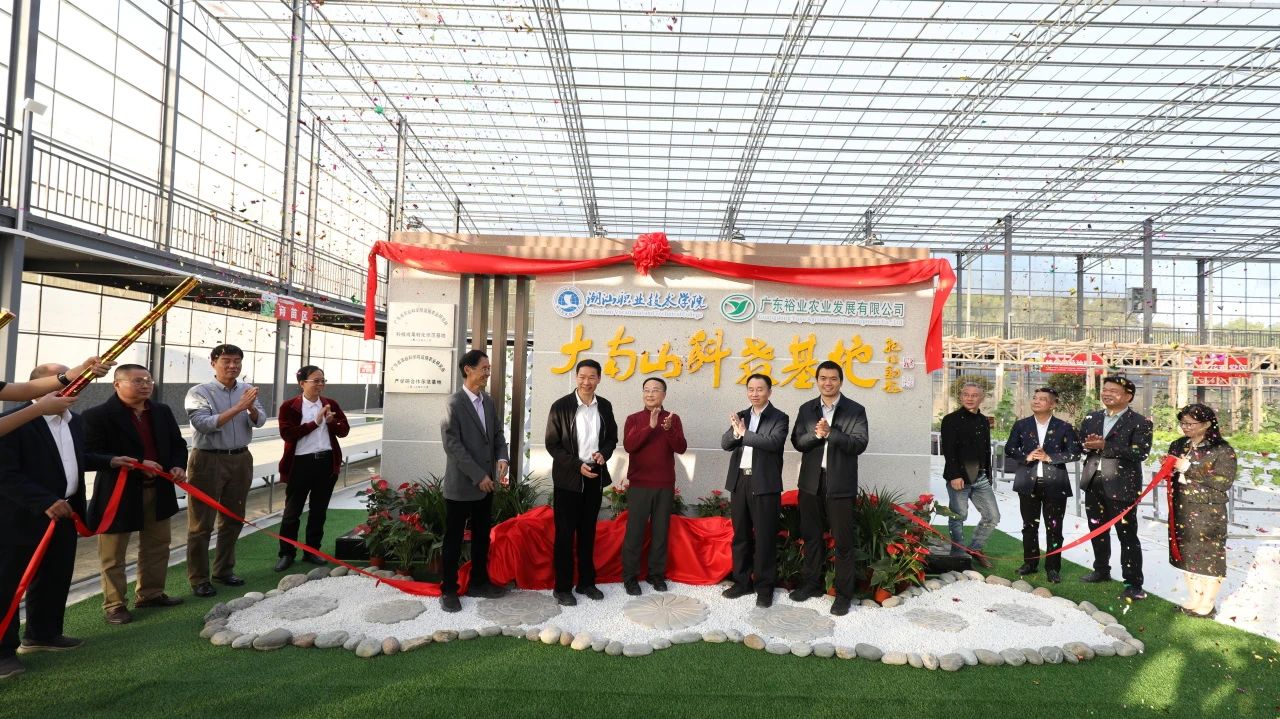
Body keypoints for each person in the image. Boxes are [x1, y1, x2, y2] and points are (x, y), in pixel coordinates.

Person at [0, 364, 123, 680]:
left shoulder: (74, 421)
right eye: (62, 380)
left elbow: (74, 459)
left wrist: (110, 460)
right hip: (20, 517)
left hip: (65, 513)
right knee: (8, 583)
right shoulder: (15, 422)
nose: (72, 385)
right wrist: (42, 501)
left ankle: (43, 634)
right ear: (36, 387)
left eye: (75, 379)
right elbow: (5, 473)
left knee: (55, 575)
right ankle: (2, 652)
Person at [82, 364, 190, 625]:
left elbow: (178, 445)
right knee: (113, 553)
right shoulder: (97, 415)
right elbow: (86, 455)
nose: (145, 385)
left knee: (157, 545)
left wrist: (178, 465)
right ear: (117, 384)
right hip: (119, 493)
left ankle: (151, 593)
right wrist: (119, 461)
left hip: (158, 490)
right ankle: (115, 604)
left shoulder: (161, 411)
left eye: (148, 380)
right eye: (137, 381)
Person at [184, 344, 266, 598]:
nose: (233, 366)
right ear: (213, 363)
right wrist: (239, 407)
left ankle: (223, 570)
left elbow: (261, 420)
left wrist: (251, 408)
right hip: (208, 460)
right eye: (226, 361)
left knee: (233, 518)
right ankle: (199, 578)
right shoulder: (199, 392)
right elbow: (203, 424)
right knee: (201, 523)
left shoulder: (246, 389)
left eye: (237, 361)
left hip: (240, 458)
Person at [788, 361, 869, 616]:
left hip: (840, 484)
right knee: (812, 536)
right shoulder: (807, 409)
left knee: (843, 541)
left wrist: (831, 433)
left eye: (833, 378)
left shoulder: (855, 410)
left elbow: (859, 444)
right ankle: (811, 584)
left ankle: (843, 595)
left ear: (840, 382)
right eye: (823, 378)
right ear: (817, 381)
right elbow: (797, 441)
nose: (828, 383)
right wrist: (817, 435)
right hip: (811, 482)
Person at [438, 350, 510, 612]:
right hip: (462, 485)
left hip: (486, 485)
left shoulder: (488, 402)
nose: (488, 373)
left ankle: (479, 582)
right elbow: (452, 445)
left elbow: (498, 434)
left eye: (489, 368)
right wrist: (478, 475)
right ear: (468, 370)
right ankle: (448, 590)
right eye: (484, 368)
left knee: (481, 537)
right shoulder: (454, 403)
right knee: (454, 539)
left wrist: (502, 457)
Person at [544, 359, 618, 606]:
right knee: (565, 535)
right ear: (576, 377)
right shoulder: (561, 406)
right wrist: (577, 465)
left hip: (594, 477)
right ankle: (562, 588)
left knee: (588, 533)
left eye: (592, 377)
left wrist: (603, 454)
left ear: (599, 379)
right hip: (569, 479)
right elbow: (552, 444)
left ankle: (586, 582)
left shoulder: (604, 406)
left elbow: (612, 439)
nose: (587, 382)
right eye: (582, 377)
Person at [1078, 375, 1153, 600]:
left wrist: (1106, 445)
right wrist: (1086, 445)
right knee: (1097, 530)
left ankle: (1134, 583)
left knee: (1127, 535)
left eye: (1113, 391)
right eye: (1105, 390)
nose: (1107, 394)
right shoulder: (1092, 417)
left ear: (1128, 396)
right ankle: (1101, 570)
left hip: (1122, 486)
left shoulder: (1140, 422)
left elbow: (1140, 452)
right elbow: (1081, 443)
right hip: (1093, 482)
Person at [721, 373, 789, 608]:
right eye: (751, 389)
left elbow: (773, 443)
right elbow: (725, 444)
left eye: (760, 389)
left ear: (769, 391)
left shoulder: (779, 417)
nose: (755, 393)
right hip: (740, 481)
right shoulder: (742, 415)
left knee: (765, 537)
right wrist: (735, 432)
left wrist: (745, 434)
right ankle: (742, 582)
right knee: (740, 535)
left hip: (765, 484)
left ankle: (764, 587)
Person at [275, 365, 351, 572]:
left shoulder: (330, 404)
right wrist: (315, 423)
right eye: (315, 381)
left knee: (319, 511)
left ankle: (312, 550)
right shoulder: (289, 407)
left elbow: (344, 430)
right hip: (300, 464)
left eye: (323, 380)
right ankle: (287, 553)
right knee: (292, 512)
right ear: (302, 383)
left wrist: (331, 422)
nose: (320, 384)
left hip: (326, 462)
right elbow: (287, 434)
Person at [1004, 387, 1081, 584]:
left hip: (1055, 484)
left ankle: (1053, 568)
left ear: (1053, 404)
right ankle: (1030, 563)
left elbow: (1075, 452)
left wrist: (1050, 457)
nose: (1036, 401)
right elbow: (1010, 448)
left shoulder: (1064, 427)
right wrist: (1026, 456)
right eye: (1034, 398)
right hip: (1027, 483)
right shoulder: (1021, 425)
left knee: (1054, 528)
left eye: (1042, 399)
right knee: (1029, 526)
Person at [620, 377, 687, 596]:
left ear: (663, 395)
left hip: (664, 484)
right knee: (635, 532)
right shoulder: (633, 419)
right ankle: (630, 577)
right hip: (640, 484)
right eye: (646, 390)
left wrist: (668, 429)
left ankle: (656, 575)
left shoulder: (672, 419)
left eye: (655, 390)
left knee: (660, 532)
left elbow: (681, 447)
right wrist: (650, 427)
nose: (650, 394)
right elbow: (629, 445)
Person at [1168, 404, 1236, 619]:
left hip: (1208, 510)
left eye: (1190, 423)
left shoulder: (1222, 450)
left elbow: (1223, 481)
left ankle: (1207, 603)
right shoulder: (1179, 445)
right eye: (1183, 423)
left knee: (1209, 555)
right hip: (1182, 506)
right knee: (1186, 553)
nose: (1185, 427)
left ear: (1206, 424)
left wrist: (1188, 468)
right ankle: (1194, 597)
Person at [939, 382, 999, 568]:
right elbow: (948, 450)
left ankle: (974, 549)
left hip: (981, 477)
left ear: (981, 398)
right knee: (959, 516)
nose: (969, 398)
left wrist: (988, 475)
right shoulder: (951, 420)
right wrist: (954, 475)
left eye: (974, 395)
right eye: (966, 394)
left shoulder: (983, 420)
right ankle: (957, 553)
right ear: (961, 396)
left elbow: (985, 450)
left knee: (992, 516)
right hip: (959, 477)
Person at [0, 356, 112, 437]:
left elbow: (23, 390)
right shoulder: (21, 427)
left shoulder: (76, 420)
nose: (70, 388)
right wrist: (40, 409)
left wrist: (76, 372)